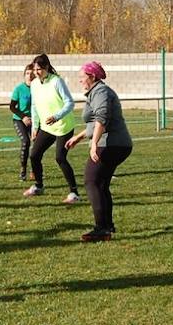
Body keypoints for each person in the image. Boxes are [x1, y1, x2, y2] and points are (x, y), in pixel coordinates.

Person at [65, 61, 132, 242]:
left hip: (111, 144)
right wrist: (79, 137)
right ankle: (107, 226)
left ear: (92, 77)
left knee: (91, 181)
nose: (79, 81)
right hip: (114, 143)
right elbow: (94, 123)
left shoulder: (100, 92)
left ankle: (101, 228)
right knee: (101, 184)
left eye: (82, 78)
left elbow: (102, 118)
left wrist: (94, 143)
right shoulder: (96, 92)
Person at [23, 53, 80, 203]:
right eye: (35, 70)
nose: (36, 73)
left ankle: (74, 193)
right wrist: (35, 127)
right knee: (34, 155)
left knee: (60, 158)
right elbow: (34, 106)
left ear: (47, 67)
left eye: (39, 69)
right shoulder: (34, 84)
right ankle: (39, 186)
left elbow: (70, 103)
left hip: (63, 126)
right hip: (47, 128)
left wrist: (57, 116)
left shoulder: (57, 82)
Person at [9, 63, 35, 181]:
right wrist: (24, 117)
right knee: (25, 142)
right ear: (24, 75)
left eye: (31, 73)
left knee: (37, 145)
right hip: (19, 120)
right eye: (27, 73)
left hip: (35, 121)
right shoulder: (19, 89)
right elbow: (13, 107)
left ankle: (34, 170)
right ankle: (23, 170)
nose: (29, 76)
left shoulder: (39, 88)